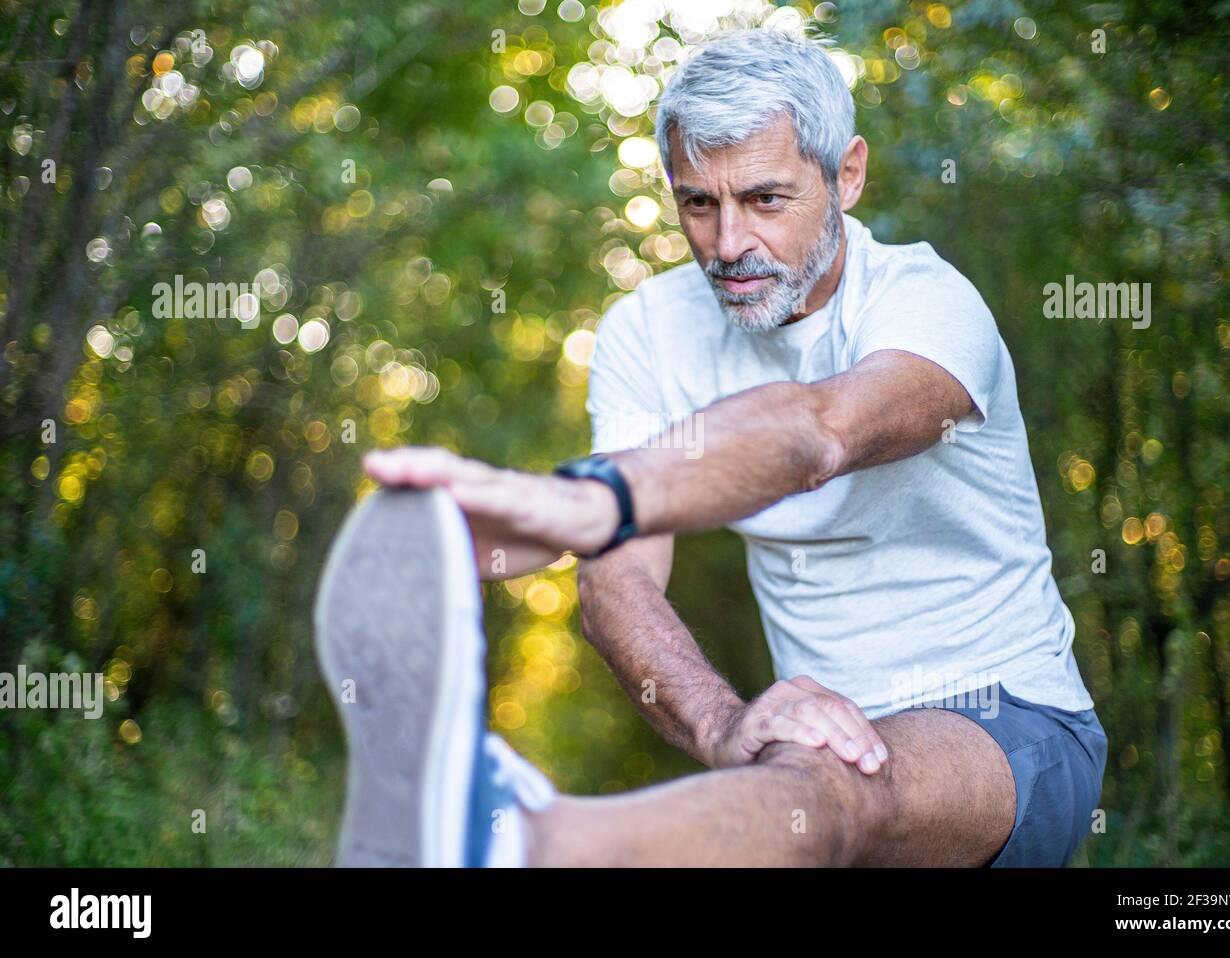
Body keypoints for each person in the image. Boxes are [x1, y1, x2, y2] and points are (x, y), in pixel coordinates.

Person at [314, 27, 1107, 867]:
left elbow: (819, 433)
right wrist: (726, 724)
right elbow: (617, 579)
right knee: (812, 775)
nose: (727, 246)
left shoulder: (929, 305)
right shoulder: (646, 334)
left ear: (847, 175)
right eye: (698, 202)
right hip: (808, 742)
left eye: (765, 200)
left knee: (838, 783)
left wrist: (593, 500)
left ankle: (514, 842)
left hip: (1011, 720)